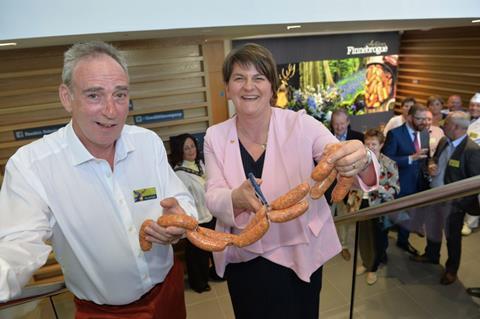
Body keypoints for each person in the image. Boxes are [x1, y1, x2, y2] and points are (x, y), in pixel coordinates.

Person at [0, 41, 197, 319]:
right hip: (104, 312)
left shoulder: (147, 143)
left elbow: (183, 201)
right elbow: (17, 244)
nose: (111, 110)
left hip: (169, 291)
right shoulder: (32, 166)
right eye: (94, 95)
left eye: (120, 95)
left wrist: (181, 218)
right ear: (67, 97)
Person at [203, 43, 379, 319]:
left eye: (259, 77)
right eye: (239, 78)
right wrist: (235, 198)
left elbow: (340, 157)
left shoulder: (302, 125)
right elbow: (213, 195)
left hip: (299, 254)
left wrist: (362, 157)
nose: (249, 86)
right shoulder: (214, 136)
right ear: (227, 86)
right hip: (244, 256)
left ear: (272, 87)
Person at [411, 111, 480, 285]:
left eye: (447, 123)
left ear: (456, 127)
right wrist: (431, 164)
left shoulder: (472, 151)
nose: (443, 125)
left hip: (453, 205)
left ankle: (451, 270)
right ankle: (432, 255)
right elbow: (434, 159)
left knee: (453, 239)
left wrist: (459, 204)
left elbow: (474, 184)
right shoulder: (443, 140)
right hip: (435, 197)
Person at [347, 129, 400, 285]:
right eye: (367, 143)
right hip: (361, 204)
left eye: (374, 144)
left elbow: (395, 189)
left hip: (378, 206)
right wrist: (351, 203)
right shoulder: (359, 161)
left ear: (381, 145)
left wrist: (378, 188)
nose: (370, 146)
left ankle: (374, 268)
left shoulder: (389, 164)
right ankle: (365, 262)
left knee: (377, 239)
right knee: (363, 236)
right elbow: (352, 184)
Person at [169, 133, 217, 293]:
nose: (191, 150)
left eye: (192, 146)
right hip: (196, 221)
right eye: (186, 148)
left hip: (210, 215)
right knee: (198, 256)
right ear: (180, 151)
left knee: (213, 250)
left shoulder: (200, 164)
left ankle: (215, 274)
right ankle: (199, 283)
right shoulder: (179, 174)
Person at [382, 103, 431, 256]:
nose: (424, 122)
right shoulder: (395, 134)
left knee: (410, 215)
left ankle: (403, 241)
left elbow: (426, 157)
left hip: (417, 184)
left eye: (425, 119)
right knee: (389, 218)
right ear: (409, 117)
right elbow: (387, 159)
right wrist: (410, 158)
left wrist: (431, 164)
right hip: (399, 184)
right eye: (419, 119)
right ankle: (380, 252)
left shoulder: (424, 133)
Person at [329, 108, 364, 261]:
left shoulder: (358, 138)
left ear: (348, 122)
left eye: (342, 123)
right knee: (326, 216)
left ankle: (343, 245)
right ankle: (325, 244)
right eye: (336, 124)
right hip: (328, 185)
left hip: (349, 186)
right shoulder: (324, 137)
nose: (339, 127)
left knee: (345, 217)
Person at [461, 92, 480, 236]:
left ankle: (470, 223)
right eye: (472, 105)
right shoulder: (464, 119)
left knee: (474, 194)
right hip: (462, 161)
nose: (474, 108)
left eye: (477, 106)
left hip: (477, 163)